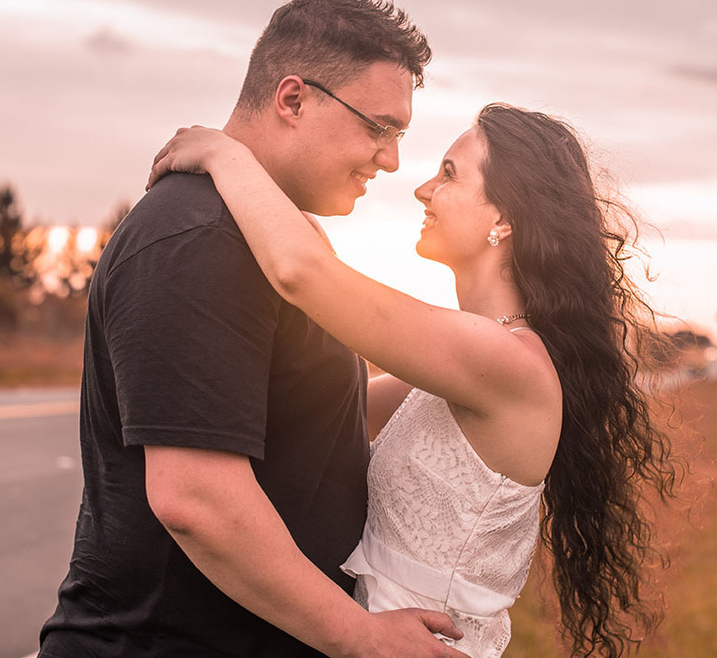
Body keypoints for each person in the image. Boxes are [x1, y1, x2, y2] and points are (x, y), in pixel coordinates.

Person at [146, 102, 680, 658]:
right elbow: (332, 407)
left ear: (504, 220)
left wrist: (226, 153)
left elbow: (301, 273)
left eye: (449, 173)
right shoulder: (460, 368)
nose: (423, 189)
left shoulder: (506, 362)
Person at [39, 0, 471, 658]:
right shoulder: (200, 237)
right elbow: (196, 497)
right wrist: (360, 636)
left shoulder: (270, 236)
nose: (391, 160)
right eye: (378, 127)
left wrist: (474, 380)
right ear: (293, 99)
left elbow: (314, 419)